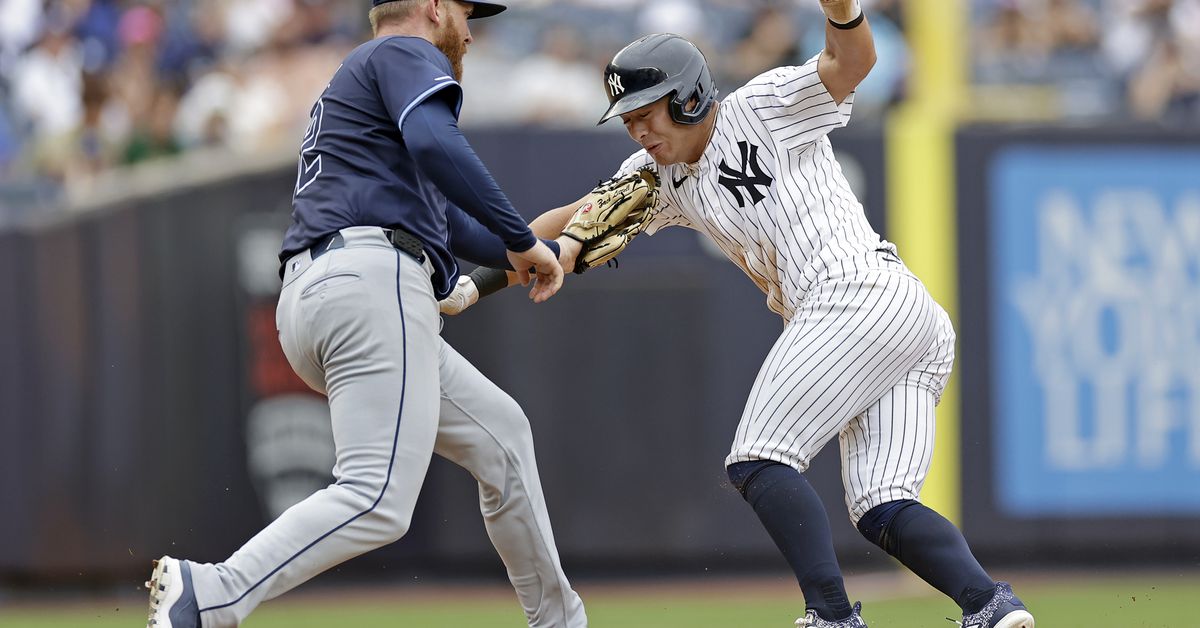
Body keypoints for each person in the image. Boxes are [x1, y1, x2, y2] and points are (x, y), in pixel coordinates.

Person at [443, 2, 1036, 627]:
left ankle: (832, 617)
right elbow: (559, 234)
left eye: (649, 113)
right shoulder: (656, 178)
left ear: (691, 97)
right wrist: (470, 289)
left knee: (759, 458)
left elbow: (852, 61)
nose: (638, 130)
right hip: (897, 319)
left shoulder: (762, 107)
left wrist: (842, 10)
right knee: (881, 506)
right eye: (627, 119)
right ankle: (991, 606)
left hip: (856, 295)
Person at [144, 1, 588, 627]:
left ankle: (561, 622)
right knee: (377, 496)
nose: (470, 29)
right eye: (466, 12)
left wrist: (549, 244)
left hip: (331, 285)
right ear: (434, 7)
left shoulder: (359, 77)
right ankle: (213, 593)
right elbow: (439, 145)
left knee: (504, 436)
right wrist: (521, 240)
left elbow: (453, 225)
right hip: (370, 280)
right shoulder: (402, 53)